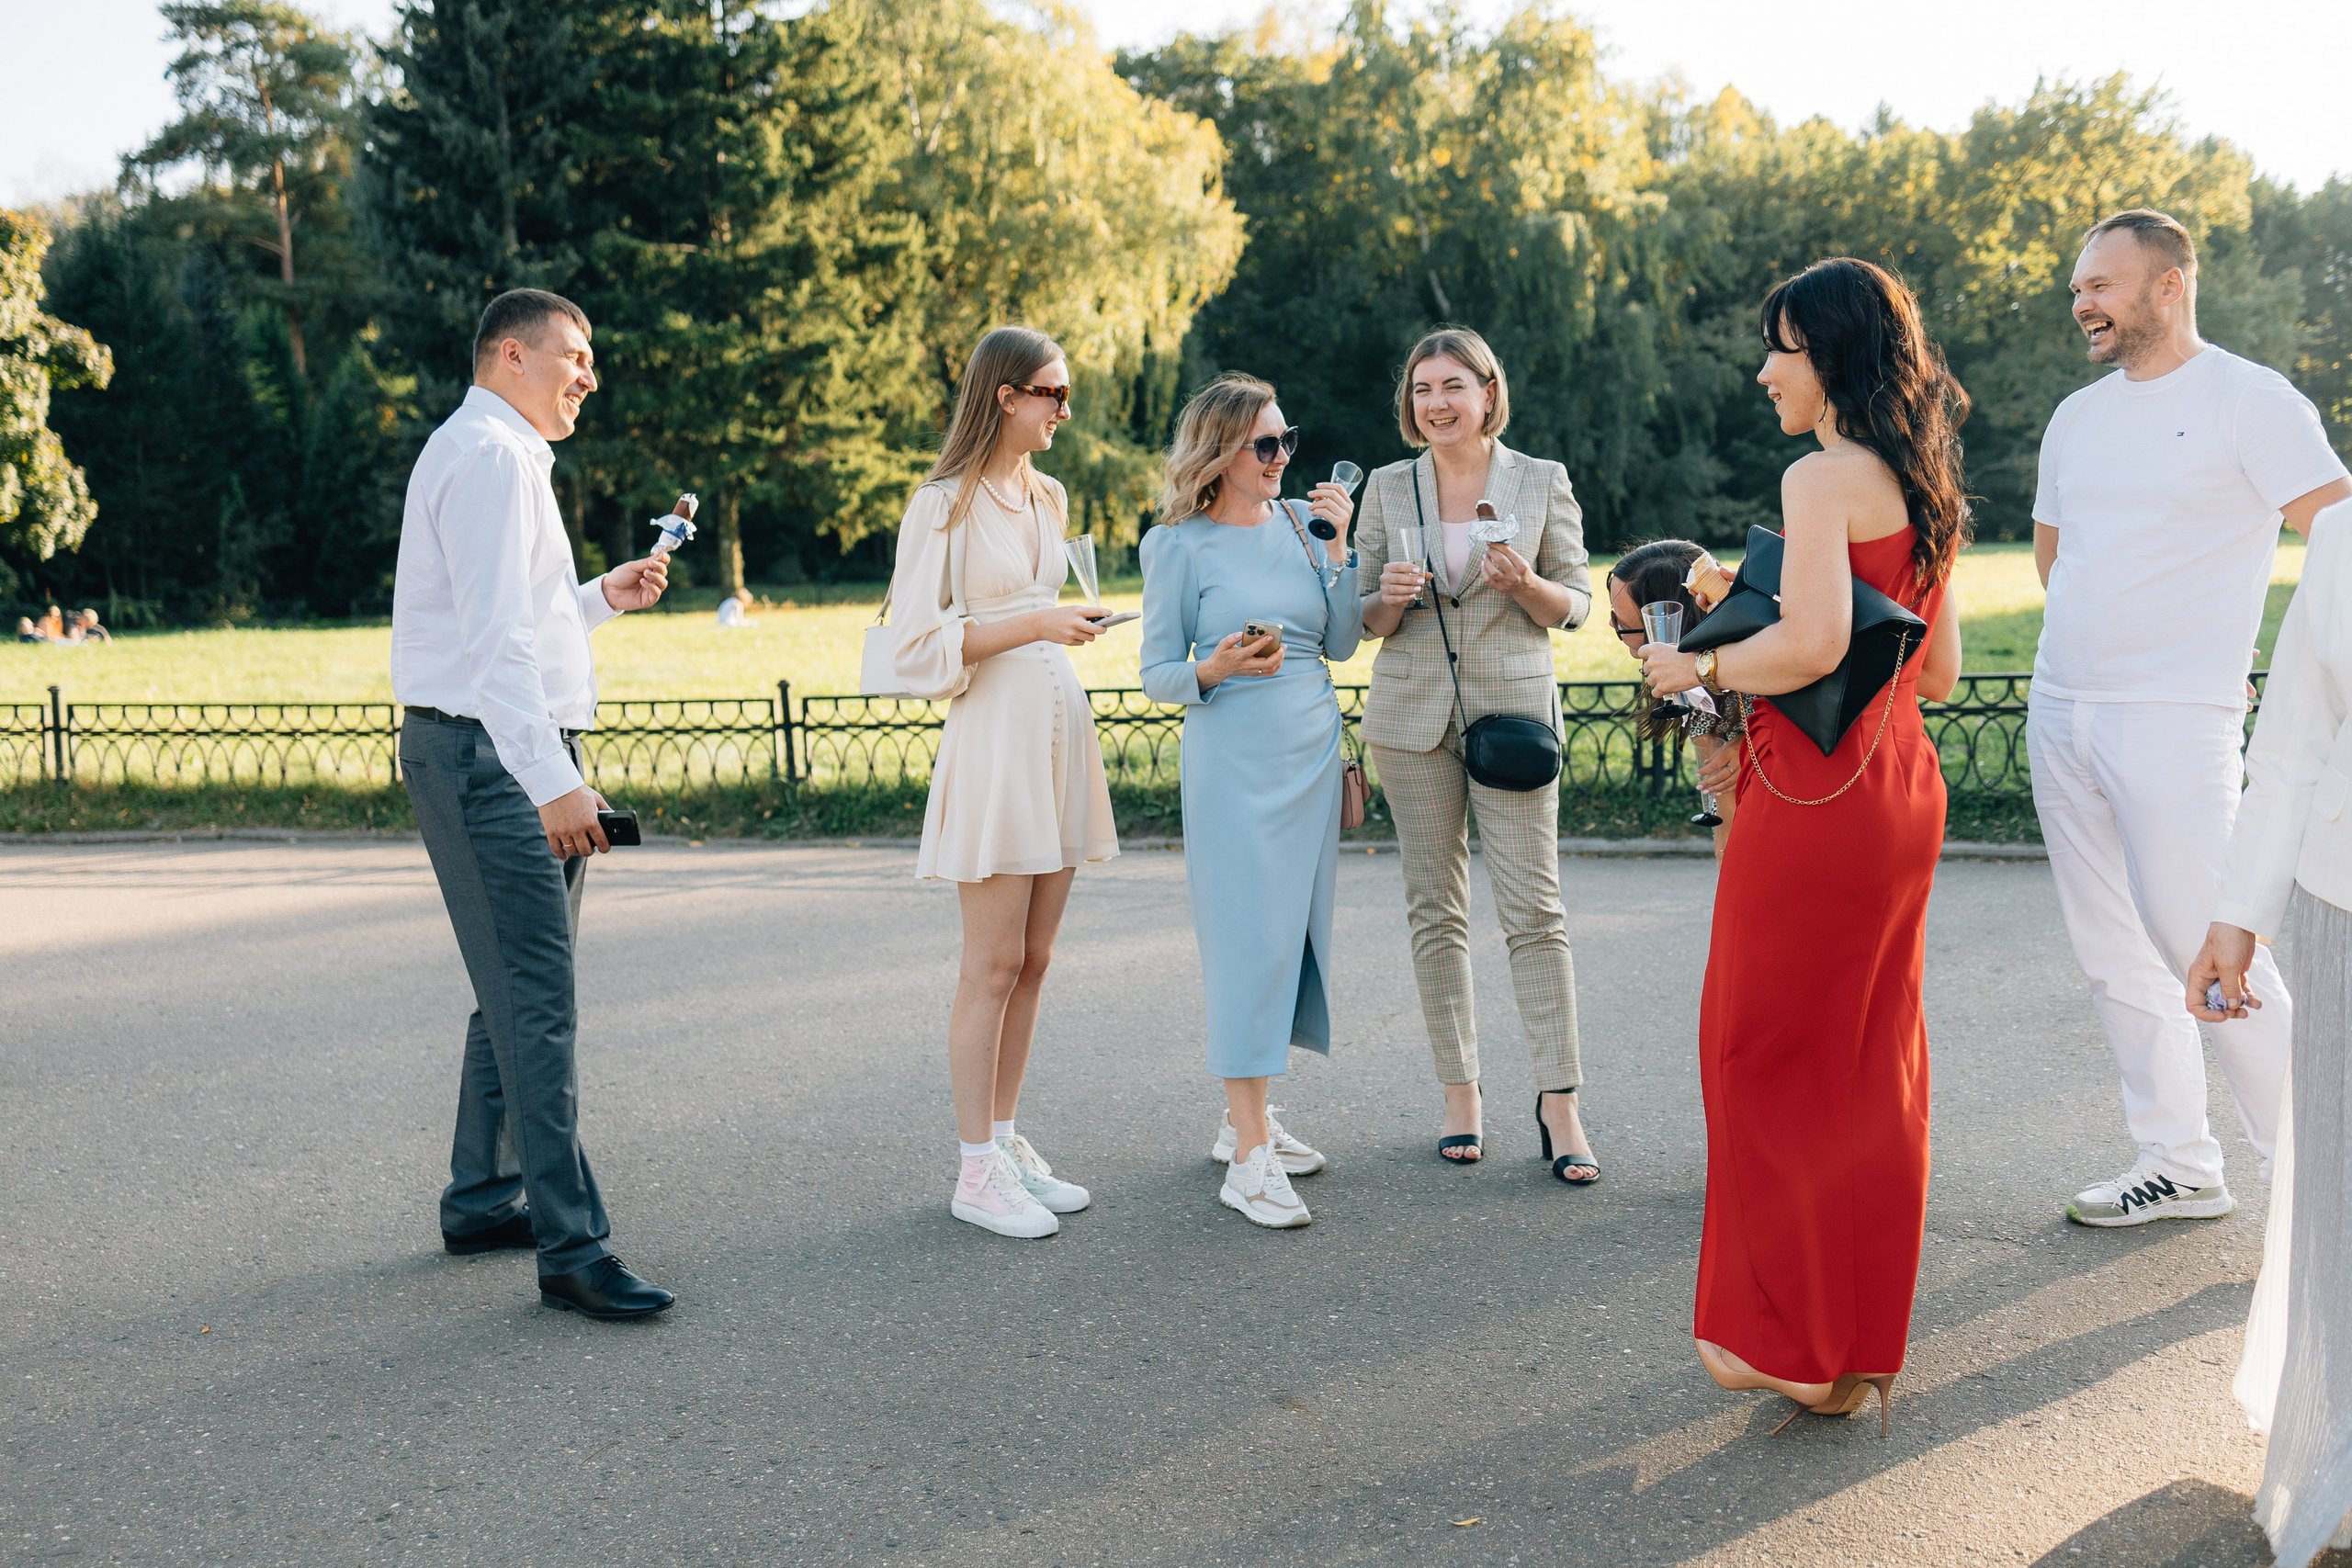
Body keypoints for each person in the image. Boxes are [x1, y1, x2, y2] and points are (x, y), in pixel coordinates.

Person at [1643, 256, 1966, 1432]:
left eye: (1781, 345)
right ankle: (1850, 1351)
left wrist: (1704, 660)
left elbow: (1822, 646)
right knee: (1868, 1064)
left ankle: (1788, 1341)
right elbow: (1930, 667)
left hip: (1819, 799)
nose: (1765, 368)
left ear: (1829, 355)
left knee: (1760, 1054)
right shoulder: (1920, 481)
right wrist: (1766, 605)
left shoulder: (1822, 475)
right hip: (1900, 788)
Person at [2030, 209, 2351, 1227]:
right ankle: (2176, 1162)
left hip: (2175, 717)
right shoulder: (2075, 417)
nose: (2082, 300)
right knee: (2109, 953)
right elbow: (2053, 553)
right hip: (2060, 707)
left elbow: (2335, 539)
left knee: (2211, 949)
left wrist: (2303, 677)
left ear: (2168, 285)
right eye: (2077, 285)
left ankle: (2321, 1188)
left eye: (2101, 283)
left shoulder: (2249, 400)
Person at [391, 288, 678, 1321]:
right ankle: (572, 1245)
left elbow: (514, 617)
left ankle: (480, 1197)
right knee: (536, 1003)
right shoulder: (492, 460)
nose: (590, 377)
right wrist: (554, 781)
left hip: (481, 748)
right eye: (577, 356)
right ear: (511, 355)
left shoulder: (489, 453)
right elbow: (494, 647)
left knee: (509, 989)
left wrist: (600, 597)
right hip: (490, 759)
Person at [884, 324, 1119, 1241]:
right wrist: (1034, 625)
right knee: (988, 964)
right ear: (1003, 397)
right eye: (1051, 393)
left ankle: (1008, 1141)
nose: (1065, 409)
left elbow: (1039, 614)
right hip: (994, 733)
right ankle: (973, 1168)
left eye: (1066, 393)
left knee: (1035, 959)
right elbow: (914, 646)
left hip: (1058, 724)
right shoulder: (940, 505)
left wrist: (1064, 626)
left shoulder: (1050, 495)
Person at [1352, 327, 1597, 1176]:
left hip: (1514, 717)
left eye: (1453, 385)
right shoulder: (1388, 487)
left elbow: (1580, 603)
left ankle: (1559, 1102)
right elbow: (1365, 621)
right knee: (1436, 911)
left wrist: (1525, 585)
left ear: (1489, 392)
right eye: (1422, 389)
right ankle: (1461, 1093)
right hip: (1409, 714)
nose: (1437, 403)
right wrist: (1382, 598)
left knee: (1535, 910)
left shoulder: (1542, 479)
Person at [1140, 372, 1357, 1226]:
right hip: (1232, 758)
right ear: (1220, 453)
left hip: (1310, 747)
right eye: (1264, 445)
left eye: (1286, 440)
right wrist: (1217, 667)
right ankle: (1251, 1159)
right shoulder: (1177, 546)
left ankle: (1248, 1126)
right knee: (1246, 942)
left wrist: (1340, 550)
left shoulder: (1306, 527)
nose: (1280, 458)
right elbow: (1157, 673)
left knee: (1292, 939)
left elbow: (1337, 641)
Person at [2186, 497, 2352, 1568]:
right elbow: (2290, 744)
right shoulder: (2343, 537)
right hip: (2348, 899)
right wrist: (2234, 920)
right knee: (2343, 1191)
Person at [1606, 540, 1743, 856]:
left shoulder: (1744, 679)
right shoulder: (1692, 688)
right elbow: (1724, 821)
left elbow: (1729, 820)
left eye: (1622, 626)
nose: (1612, 624)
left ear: (1667, 623)